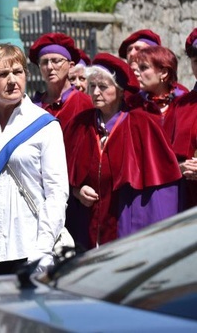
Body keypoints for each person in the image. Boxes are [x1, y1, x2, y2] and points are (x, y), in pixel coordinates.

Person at [64, 53, 182, 250]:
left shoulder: (141, 124)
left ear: (119, 91)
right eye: (92, 86)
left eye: (103, 87)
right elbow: (62, 175)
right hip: (87, 223)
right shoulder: (80, 124)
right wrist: (76, 191)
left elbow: (159, 189)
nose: (95, 92)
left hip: (124, 221)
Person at [0, 45, 68, 276]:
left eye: (18, 72)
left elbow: (57, 191)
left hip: (29, 245)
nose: (12, 80)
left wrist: (44, 246)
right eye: (2, 74)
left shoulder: (44, 125)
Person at [29, 33, 93, 130]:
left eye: (56, 61)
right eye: (44, 62)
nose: (50, 67)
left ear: (70, 66)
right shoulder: (33, 106)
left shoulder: (85, 103)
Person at [164, 28, 197, 209]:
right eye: (196, 62)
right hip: (185, 201)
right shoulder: (182, 105)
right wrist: (181, 166)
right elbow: (166, 154)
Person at [130, 45, 187, 122]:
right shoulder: (132, 104)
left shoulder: (185, 103)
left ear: (164, 73)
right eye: (137, 68)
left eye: (143, 68)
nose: (136, 73)